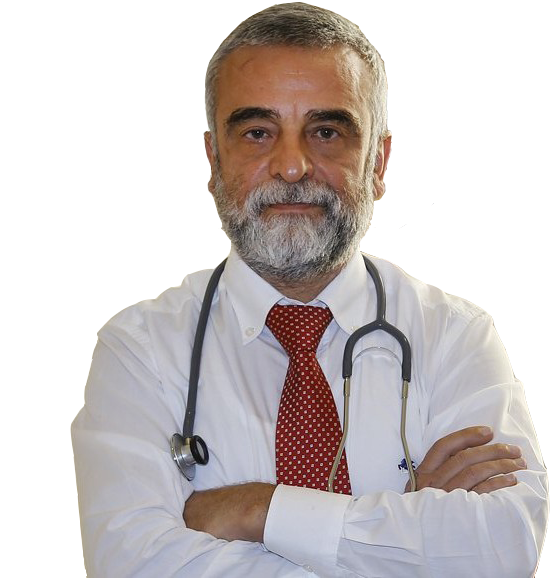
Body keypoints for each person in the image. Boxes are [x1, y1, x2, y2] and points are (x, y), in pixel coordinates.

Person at [71, 3, 548, 576]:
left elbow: (504, 548)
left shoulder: (455, 336)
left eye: (326, 132)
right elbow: (132, 565)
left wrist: (258, 508)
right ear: (214, 160)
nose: (293, 165)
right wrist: (406, 531)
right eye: (257, 133)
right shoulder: (140, 351)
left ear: (378, 163)